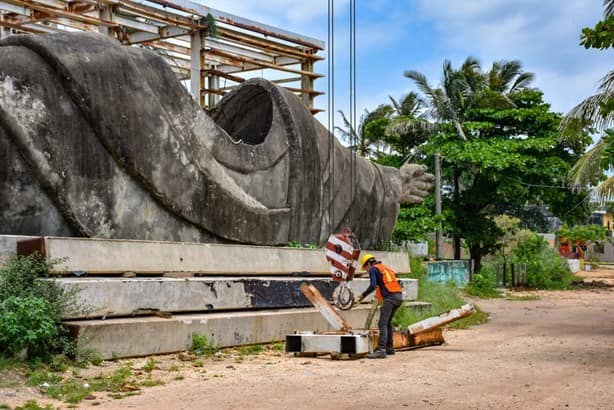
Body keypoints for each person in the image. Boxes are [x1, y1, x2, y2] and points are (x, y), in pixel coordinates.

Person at [355, 253, 403, 359]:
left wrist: (362, 295)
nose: (367, 271)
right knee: (388, 323)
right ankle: (390, 348)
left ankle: (381, 349)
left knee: (382, 323)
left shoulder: (373, 269)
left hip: (390, 298)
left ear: (368, 264)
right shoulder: (386, 268)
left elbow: (372, 286)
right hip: (398, 297)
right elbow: (383, 285)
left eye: (365, 268)